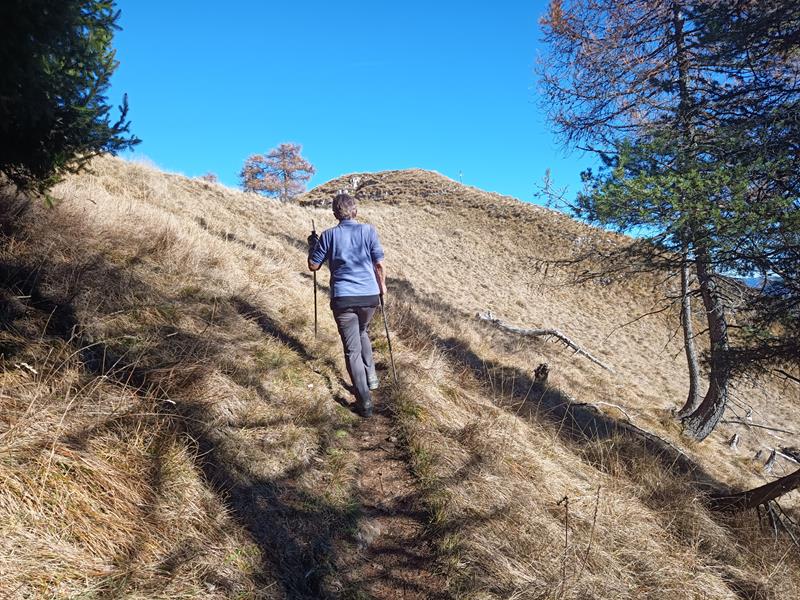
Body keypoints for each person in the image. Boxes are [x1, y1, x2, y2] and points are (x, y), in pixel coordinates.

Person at [308, 193, 387, 417]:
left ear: (335, 213)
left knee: (351, 349)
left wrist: (313, 245)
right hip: (369, 296)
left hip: (343, 298)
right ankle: (371, 377)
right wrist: (382, 287)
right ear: (355, 211)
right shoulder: (368, 231)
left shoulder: (328, 235)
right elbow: (379, 264)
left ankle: (365, 402)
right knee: (362, 331)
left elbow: (314, 265)